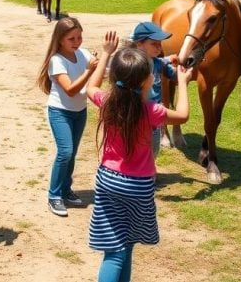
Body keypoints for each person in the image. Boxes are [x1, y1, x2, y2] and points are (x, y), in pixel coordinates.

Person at [85, 33, 191, 282]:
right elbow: (183, 115)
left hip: (108, 180)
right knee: (123, 250)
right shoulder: (152, 111)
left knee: (117, 248)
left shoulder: (108, 100)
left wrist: (107, 54)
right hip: (139, 187)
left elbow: (91, 87)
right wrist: (183, 82)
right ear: (146, 81)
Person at [37, 16, 97, 217]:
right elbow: (70, 89)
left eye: (79, 37)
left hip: (80, 111)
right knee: (65, 152)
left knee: (72, 153)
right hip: (60, 111)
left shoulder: (83, 53)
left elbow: (101, 70)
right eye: (72, 39)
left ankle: (65, 189)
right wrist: (89, 71)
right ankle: (54, 195)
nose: (77, 42)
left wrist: (106, 56)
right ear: (60, 39)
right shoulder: (56, 61)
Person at [129, 21, 178, 154]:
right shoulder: (130, 65)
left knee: (153, 150)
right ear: (139, 44)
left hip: (153, 119)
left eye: (160, 44)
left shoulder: (159, 63)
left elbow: (176, 77)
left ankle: (149, 172)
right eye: (154, 44)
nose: (159, 48)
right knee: (135, 149)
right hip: (135, 117)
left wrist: (183, 68)